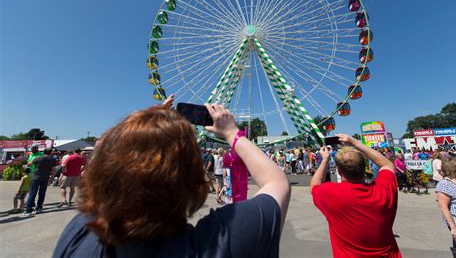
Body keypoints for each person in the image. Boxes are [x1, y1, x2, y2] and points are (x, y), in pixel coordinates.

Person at [53, 97, 290, 257]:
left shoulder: (80, 233)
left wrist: (147, 122)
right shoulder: (219, 243)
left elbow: (106, 148)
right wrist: (231, 132)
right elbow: (276, 182)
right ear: (193, 179)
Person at [311, 134, 401, 257]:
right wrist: (356, 143)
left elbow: (314, 185)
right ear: (364, 168)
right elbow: (387, 165)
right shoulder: (383, 190)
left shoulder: (331, 193)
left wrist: (325, 160)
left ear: (339, 170)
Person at [24, 147, 57, 215]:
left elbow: (29, 164)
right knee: (42, 193)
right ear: (51, 152)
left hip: (36, 176)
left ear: (43, 152)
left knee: (32, 193)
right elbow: (53, 170)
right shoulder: (53, 160)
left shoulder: (38, 158)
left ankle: (28, 210)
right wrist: (52, 178)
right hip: (45, 177)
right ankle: (39, 208)